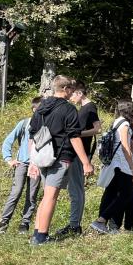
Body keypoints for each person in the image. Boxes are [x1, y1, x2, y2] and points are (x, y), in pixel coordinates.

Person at [27, 75, 94, 246]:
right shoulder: (68, 109)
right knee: (51, 196)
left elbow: (32, 136)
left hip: (42, 156)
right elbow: (74, 137)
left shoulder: (41, 108)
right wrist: (86, 162)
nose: (73, 92)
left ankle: (37, 233)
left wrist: (32, 161)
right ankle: (42, 237)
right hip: (60, 157)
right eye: (71, 89)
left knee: (45, 196)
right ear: (65, 89)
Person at [56, 80, 101, 237]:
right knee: (77, 189)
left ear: (80, 93)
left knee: (76, 189)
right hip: (78, 153)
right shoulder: (83, 108)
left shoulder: (89, 107)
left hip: (79, 154)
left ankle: (74, 226)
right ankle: (75, 224)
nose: (71, 97)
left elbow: (98, 129)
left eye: (73, 93)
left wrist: (76, 134)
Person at [0, 97, 44, 234]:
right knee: (16, 192)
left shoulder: (47, 124)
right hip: (22, 164)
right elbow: (7, 142)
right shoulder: (25, 123)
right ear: (35, 109)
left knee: (32, 194)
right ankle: (4, 222)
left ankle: (25, 223)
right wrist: (9, 159)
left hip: (38, 165)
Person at [90, 100, 133, 234]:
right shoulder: (125, 124)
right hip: (120, 164)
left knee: (110, 193)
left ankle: (100, 224)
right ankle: (101, 221)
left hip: (112, 164)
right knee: (127, 194)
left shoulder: (116, 122)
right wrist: (132, 168)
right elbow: (124, 147)